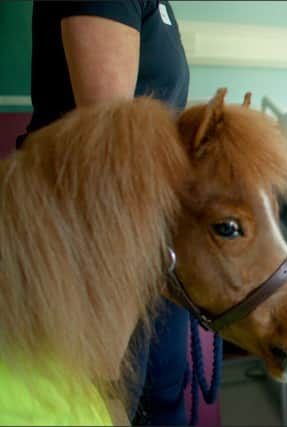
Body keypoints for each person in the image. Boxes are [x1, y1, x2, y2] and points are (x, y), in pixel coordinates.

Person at [18, 1, 191, 425]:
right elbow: (113, 147)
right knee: (107, 400)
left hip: (148, 229)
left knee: (161, 394)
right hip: (98, 232)